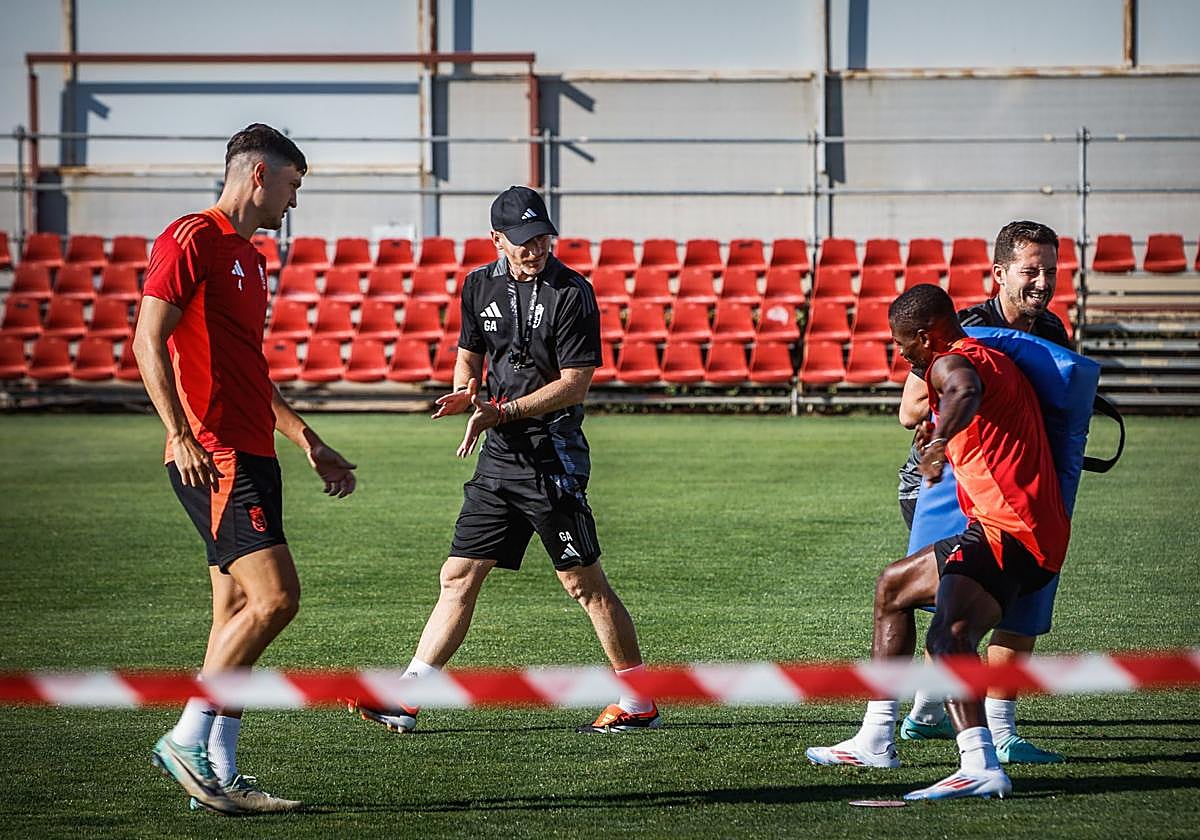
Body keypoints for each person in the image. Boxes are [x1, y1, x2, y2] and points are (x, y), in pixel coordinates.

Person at [349, 185, 658, 734]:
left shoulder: (573, 293)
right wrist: (467, 393)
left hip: (551, 459)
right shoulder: (477, 286)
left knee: (584, 585)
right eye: (522, 240)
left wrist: (503, 410)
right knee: (459, 574)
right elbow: (469, 355)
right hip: (498, 457)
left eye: (541, 237)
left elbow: (576, 384)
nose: (534, 248)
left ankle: (638, 701)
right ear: (496, 239)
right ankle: (409, 695)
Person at [134, 124, 357, 814]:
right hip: (214, 455)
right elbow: (147, 340)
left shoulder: (250, 259)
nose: (294, 203)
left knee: (233, 612)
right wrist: (181, 434)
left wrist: (306, 439)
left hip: (252, 449)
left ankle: (221, 776)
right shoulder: (190, 237)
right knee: (277, 600)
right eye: (292, 186)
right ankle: (184, 737)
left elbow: (248, 372)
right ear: (259, 174)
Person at [806, 283, 1071, 801]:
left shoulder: (953, 362)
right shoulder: (980, 355)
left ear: (925, 336)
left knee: (948, 639)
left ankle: (980, 764)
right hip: (1004, 529)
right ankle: (876, 738)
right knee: (893, 587)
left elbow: (963, 391)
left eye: (901, 341)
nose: (899, 352)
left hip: (1012, 533)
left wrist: (941, 441)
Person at [895, 221, 1069, 764]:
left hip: (1010, 484)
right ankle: (931, 714)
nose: (1042, 282)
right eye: (1030, 270)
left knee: (1014, 605)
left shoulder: (1054, 332)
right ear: (999, 274)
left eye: (1050, 270)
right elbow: (910, 410)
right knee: (953, 607)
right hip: (942, 481)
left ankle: (995, 728)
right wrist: (949, 423)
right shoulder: (967, 328)